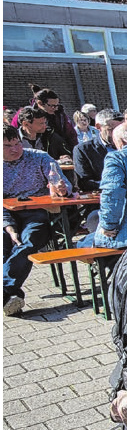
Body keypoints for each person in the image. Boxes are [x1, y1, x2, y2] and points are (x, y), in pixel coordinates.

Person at [3, 126, 72, 315]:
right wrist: (9, 227)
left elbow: (65, 184)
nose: (15, 149)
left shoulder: (39, 157)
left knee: (30, 240)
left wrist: (62, 189)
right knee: (4, 244)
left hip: (37, 211)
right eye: (8, 146)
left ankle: (6, 291)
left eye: (17, 143)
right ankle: (9, 297)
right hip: (7, 215)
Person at [10, 85, 78, 150]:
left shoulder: (60, 114)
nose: (55, 108)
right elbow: (12, 133)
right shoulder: (25, 114)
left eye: (57, 105)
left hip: (56, 149)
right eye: (52, 106)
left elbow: (71, 134)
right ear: (40, 103)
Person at [74, 109, 121, 192]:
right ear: (98, 127)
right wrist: (114, 185)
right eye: (111, 130)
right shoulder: (84, 150)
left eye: (121, 130)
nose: (117, 134)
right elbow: (84, 182)